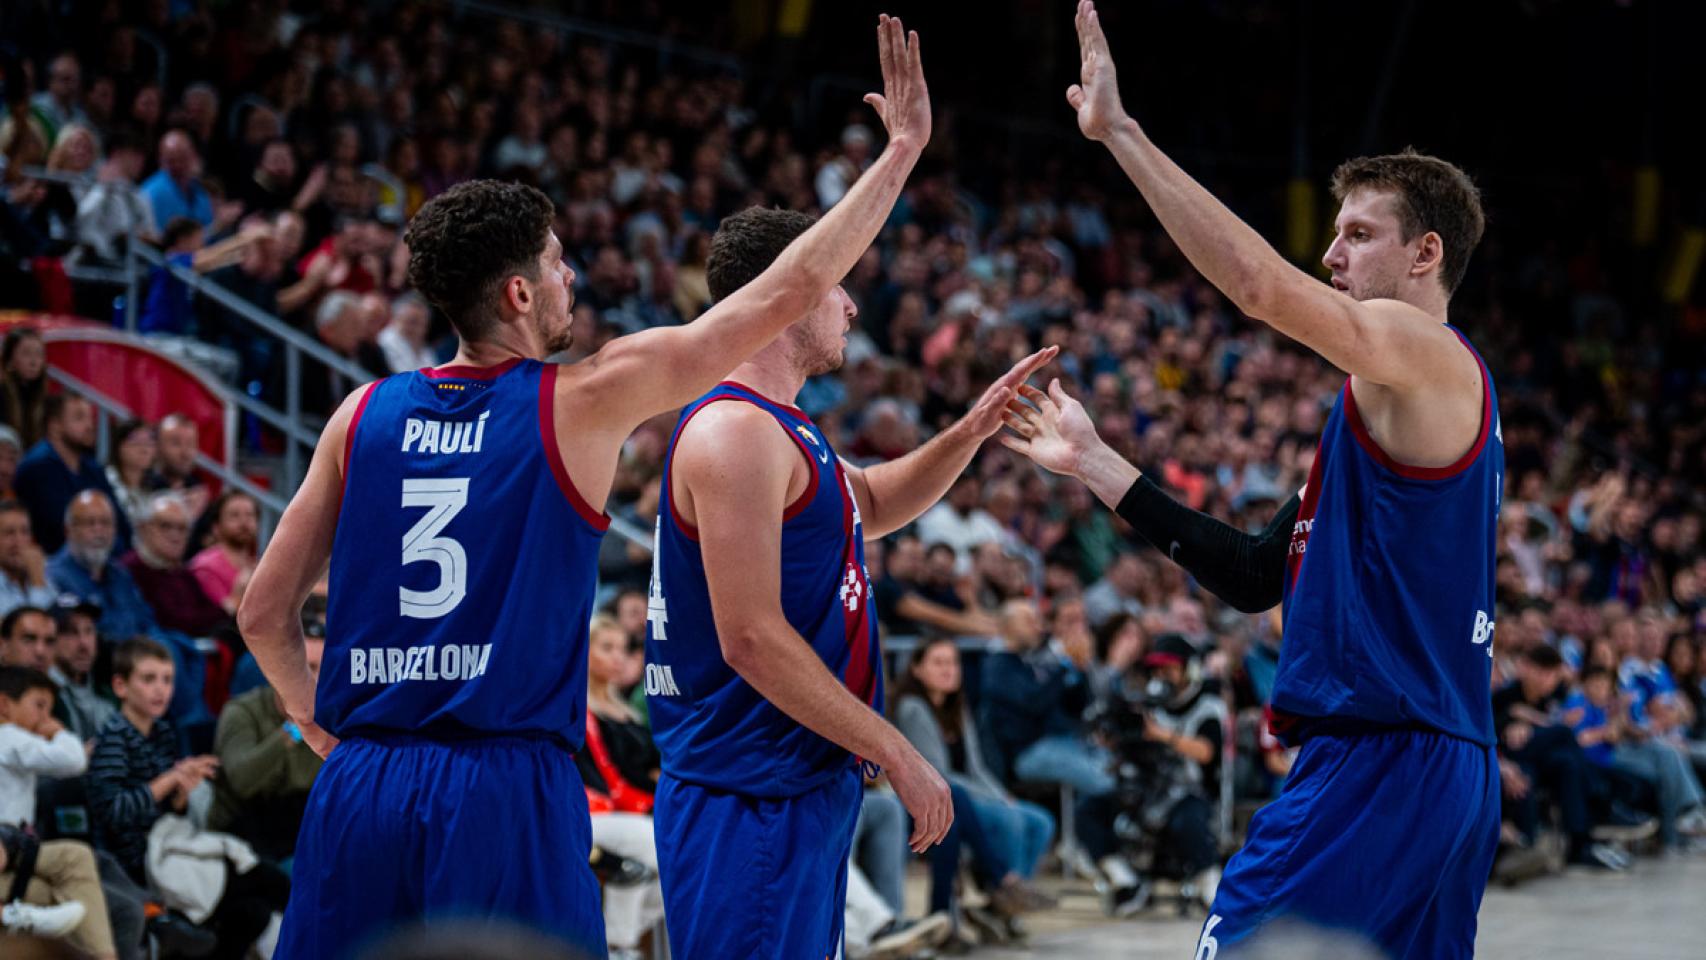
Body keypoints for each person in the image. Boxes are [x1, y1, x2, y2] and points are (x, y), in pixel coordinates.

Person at [237, 15, 937, 957]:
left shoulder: (357, 415)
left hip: (362, 781)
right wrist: (897, 157)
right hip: (501, 784)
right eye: (558, 262)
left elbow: (263, 613)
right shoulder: (580, 400)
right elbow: (778, 295)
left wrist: (322, 730)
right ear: (520, 294)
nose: (571, 276)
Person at [998, 6, 1504, 955]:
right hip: (1433, 761)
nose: (1333, 254)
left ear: (1425, 253)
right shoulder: (1380, 418)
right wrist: (1098, 463)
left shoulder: (1426, 351)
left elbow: (1263, 288)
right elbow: (1251, 575)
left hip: (1381, 761)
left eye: (1357, 234)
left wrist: (1121, 135)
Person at [645, 46, 1046, 959]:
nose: (853, 310)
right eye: (838, 287)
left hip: (794, 782)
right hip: (747, 790)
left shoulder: (788, 427)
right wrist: (899, 750)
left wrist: (974, 427)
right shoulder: (734, 431)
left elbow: (871, 502)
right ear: (789, 298)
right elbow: (750, 637)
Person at [892, 637, 1056, 914]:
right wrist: (994, 801)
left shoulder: (957, 707)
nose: (948, 670)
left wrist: (1001, 795)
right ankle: (1002, 887)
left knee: (1041, 822)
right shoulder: (913, 709)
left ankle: (1010, 897)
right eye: (939, 663)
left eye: (953, 663)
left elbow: (976, 766)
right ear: (917, 669)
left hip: (965, 793)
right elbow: (938, 774)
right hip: (939, 797)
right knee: (1011, 821)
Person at [14, 395, 128, 555]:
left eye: (90, 418)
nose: (89, 426)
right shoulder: (36, 468)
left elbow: (120, 522)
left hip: (103, 560)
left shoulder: (93, 468)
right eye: (79, 417)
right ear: (55, 426)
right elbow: (59, 531)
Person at [185, 492, 256, 618]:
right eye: (234, 516)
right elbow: (218, 619)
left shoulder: (256, 565)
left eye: (250, 515)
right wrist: (238, 595)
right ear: (216, 528)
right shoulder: (205, 567)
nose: (244, 522)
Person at [0, 501, 55, 617]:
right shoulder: (37, 575)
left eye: (25, 532)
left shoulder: (41, 570)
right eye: (9, 533)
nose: (18, 542)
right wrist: (38, 584)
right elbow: (32, 631)